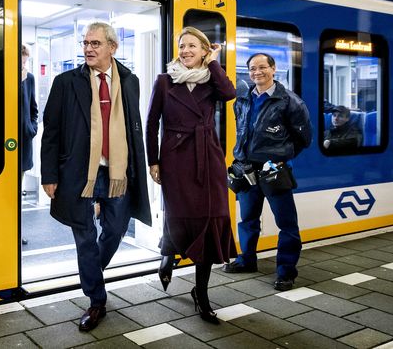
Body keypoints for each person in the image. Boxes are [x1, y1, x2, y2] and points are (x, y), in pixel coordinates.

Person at [41, 21, 151, 332]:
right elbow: (51, 132)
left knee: (116, 229)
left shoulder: (130, 81)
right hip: (78, 172)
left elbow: (132, 127)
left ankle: (92, 272)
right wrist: (49, 175)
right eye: (86, 43)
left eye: (95, 44)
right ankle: (96, 299)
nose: (88, 49)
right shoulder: (66, 82)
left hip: (117, 171)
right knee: (85, 236)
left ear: (112, 48)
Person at [146, 27, 237, 324]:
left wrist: (214, 62)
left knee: (209, 220)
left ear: (204, 50)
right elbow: (151, 123)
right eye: (182, 46)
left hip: (207, 158)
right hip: (175, 158)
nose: (185, 50)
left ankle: (202, 293)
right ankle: (168, 253)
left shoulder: (212, 79)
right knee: (177, 214)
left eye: (192, 46)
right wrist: (153, 161)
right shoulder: (164, 81)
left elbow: (229, 93)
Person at [223, 53, 312, 292]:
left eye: (262, 67)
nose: (257, 72)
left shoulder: (291, 102)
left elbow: (304, 139)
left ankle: (286, 272)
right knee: (248, 219)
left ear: (273, 69)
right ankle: (246, 260)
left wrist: (279, 158)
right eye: (252, 68)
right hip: (246, 170)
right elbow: (242, 132)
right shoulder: (242, 100)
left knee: (287, 224)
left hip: (275, 172)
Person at [21, 43, 38, 245]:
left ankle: (17, 231)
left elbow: (33, 108)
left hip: (23, 142)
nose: (23, 66)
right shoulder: (8, 77)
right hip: (5, 145)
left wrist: (31, 129)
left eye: (25, 62)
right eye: (21, 62)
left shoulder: (30, 79)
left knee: (17, 191)